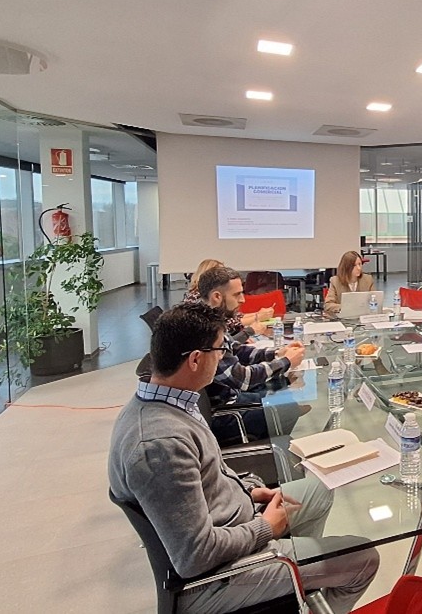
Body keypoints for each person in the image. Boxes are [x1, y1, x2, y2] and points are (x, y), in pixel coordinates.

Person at [108, 303, 379, 614]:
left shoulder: (172, 401)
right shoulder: (159, 445)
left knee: (318, 490)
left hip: (236, 523)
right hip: (215, 579)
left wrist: (248, 491)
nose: (224, 356)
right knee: (364, 559)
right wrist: (265, 528)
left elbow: (207, 478)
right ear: (195, 359)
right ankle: (287, 569)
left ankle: (296, 584)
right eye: (220, 349)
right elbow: (195, 556)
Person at [195, 267, 306, 444]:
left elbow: (237, 350)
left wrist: (277, 353)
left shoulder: (210, 320)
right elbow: (243, 379)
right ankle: (269, 452)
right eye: (237, 294)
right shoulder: (205, 330)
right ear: (217, 296)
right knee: (288, 407)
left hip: (229, 397)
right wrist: (286, 362)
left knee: (281, 391)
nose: (243, 300)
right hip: (225, 412)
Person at [184, 259, 273, 338]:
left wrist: (258, 315)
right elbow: (227, 329)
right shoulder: (198, 309)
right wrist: (252, 326)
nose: (242, 300)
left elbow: (235, 319)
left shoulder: (215, 310)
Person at [323, 250, 376, 317]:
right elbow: (328, 305)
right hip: (344, 318)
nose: (359, 268)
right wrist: (347, 308)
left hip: (363, 318)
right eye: (354, 265)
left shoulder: (368, 279)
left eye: (359, 264)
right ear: (346, 267)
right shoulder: (335, 281)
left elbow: (375, 300)